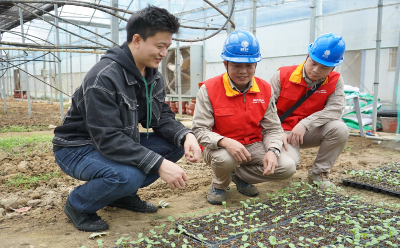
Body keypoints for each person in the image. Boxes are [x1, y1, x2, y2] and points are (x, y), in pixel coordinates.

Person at [52, 5, 201, 232]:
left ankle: (120, 196)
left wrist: (186, 135)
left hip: (116, 141)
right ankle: (78, 205)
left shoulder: (153, 76)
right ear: (137, 39)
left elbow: (161, 118)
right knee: (127, 176)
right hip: (78, 147)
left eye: (167, 47)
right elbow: (107, 138)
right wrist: (159, 164)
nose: (164, 53)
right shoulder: (104, 77)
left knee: (174, 145)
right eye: (160, 46)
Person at [192, 30, 296, 205]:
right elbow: (199, 130)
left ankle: (237, 176)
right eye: (236, 65)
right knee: (226, 159)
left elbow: (272, 128)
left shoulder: (264, 89)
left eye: (249, 66)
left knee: (287, 167)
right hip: (219, 148)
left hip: (253, 144)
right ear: (225, 63)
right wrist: (224, 141)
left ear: (256, 64)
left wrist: (272, 150)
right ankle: (219, 185)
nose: (243, 71)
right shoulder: (209, 89)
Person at [270, 32, 349, 190]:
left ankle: (318, 174)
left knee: (340, 129)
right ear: (307, 55)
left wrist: (306, 123)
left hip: (309, 131)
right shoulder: (282, 75)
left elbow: (335, 109)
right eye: (313, 62)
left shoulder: (335, 81)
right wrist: (277, 132)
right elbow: (266, 110)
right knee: (289, 165)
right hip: (282, 132)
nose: (316, 70)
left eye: (324, 67)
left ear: (333, 67)